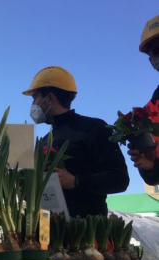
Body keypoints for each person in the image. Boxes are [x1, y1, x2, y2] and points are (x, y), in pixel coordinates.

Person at [23, 66, 130, 217]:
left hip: (85, 233)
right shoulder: (44, 141)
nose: (33, 104)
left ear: (49, 98)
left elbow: (120, 180)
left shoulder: (94, 128)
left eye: (35, 97)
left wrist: (76, 181)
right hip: (46, 230)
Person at [128, 15, 159, 186]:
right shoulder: (148, 113)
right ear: (151, 60)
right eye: (156, 51)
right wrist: (149, 166)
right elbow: (153, 178)